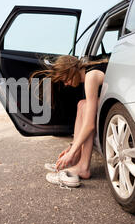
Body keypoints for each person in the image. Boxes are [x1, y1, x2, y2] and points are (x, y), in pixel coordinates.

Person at [30, 55, 109, 188]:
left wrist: (71, 152)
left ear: (72, 71)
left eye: (65, 79)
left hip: (132, 96)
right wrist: (72, 147)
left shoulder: (91, 77)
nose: (66, 84)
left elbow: (89, 125)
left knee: (85, 107)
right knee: (81, 104)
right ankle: (77, 158)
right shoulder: (90, 72)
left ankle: (83, 166)